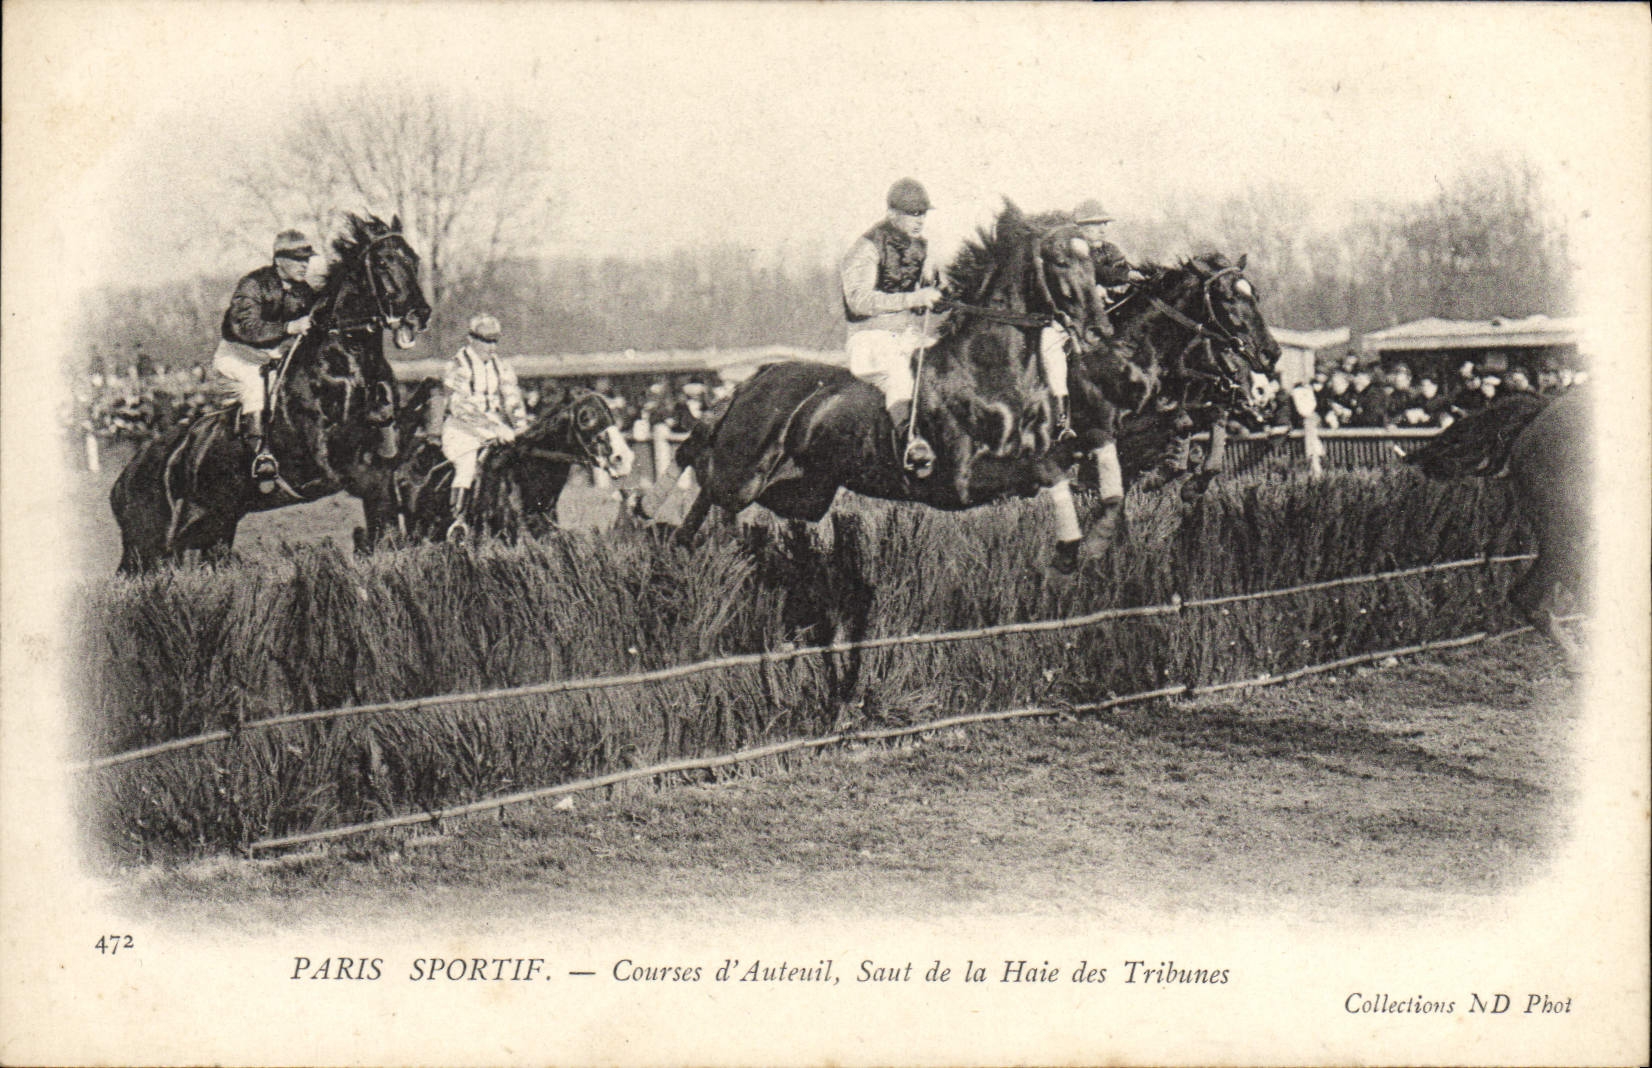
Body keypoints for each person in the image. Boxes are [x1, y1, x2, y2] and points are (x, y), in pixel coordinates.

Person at [841, 177, 944, 475]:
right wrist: (913, 298)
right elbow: (859, 300)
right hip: (869, 337)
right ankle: (910, 442)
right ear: (892, 213)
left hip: (907, 335)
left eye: (923, 213)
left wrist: (936, 294)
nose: (919, 221)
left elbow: (926, 289)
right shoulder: (866, 247)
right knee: (899, 372)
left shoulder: (921, 248)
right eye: (913, 214)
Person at [1035, 199, 1146, 445]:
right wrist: (1122, 277)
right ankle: (1062, 421)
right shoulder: (1069, 252)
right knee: (1052, 353)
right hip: (1064, 321)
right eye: (1095, 225)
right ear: (1079, 228)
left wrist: (1130, 278)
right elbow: (1100, 273)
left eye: (1104, 224)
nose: (1103, 229)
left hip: (1099, 318)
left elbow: (1114, 271)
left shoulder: (1111, 250)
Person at [213, 229, 317, 483]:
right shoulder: (253, 285)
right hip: (238, 356)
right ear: (279, 260)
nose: (304, 265)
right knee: (256, 385)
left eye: (307, 259)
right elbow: (245, 327)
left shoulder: (304, 291)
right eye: (297, 259)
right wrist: (288, 328)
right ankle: (261, 456)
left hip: (272, 358)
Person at [440, 314, 529, 539]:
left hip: (496, 429)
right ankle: (458, 522)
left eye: (495, 340)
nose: (492, 346)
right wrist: (494, 428)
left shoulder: (502, 367)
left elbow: (512, 399)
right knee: (467, 465)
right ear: (472, 339)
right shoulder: (459, 364)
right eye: (486, 340)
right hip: (461, 429)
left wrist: (520, 427)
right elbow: (461, 405)